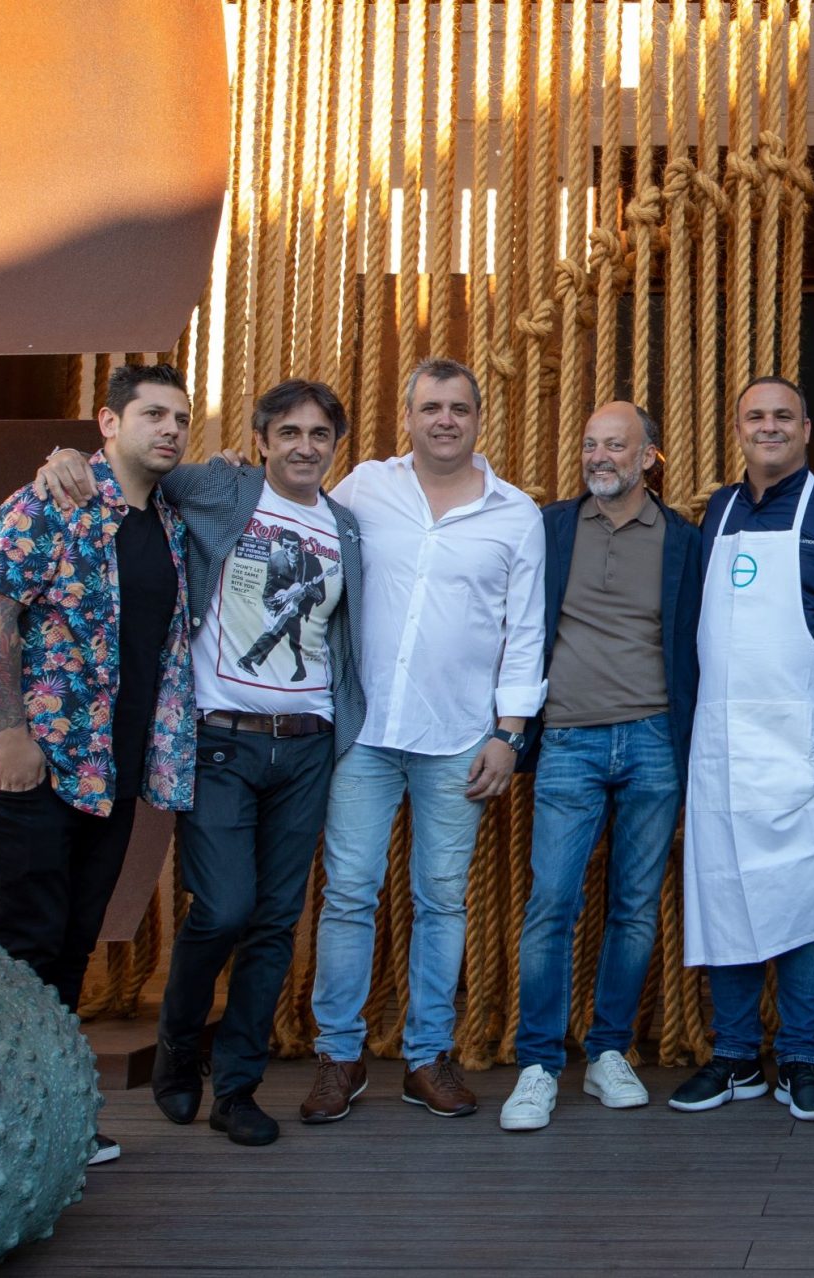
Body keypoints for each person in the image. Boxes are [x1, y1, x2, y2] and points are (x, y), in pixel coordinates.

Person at [36, 378, 366, 1148]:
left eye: (320, 435)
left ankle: (239, 1086)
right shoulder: (222, 487)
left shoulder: (345, 527)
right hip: (221, 738)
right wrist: (62, 458)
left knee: (277, 920)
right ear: (262, 439)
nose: (305, 446)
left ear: (334, 447)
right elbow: (128, 467)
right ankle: (181, 1045)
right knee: (222, 907)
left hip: (308, 744)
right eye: (289, 432)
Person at [301, 357, 548, 1123]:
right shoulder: (364, 489)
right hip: (364, 733)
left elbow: (525, 632)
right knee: (347, 894)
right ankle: (339, 1054)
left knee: (441, 900)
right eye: (431, 406)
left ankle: (427, 1056)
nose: (446, 419)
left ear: (480, 420)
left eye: (460, 408)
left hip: (458, 737)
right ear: (407, 415)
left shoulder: (516, 515)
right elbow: (284, 518)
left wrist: (510, 733)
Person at [0, 362, 196, 1166]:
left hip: (110, 775)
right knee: (25, 945)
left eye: (181, 417)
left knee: (70, 950)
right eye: (153, 415)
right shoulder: (52, 501)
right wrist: (10, 735)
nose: (170, 429)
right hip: (34, 764)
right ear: (108, 422)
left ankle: (52, 1118)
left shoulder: (167, 520)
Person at [669, 375, 814, 1122]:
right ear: (738, 428)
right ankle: (735, 1056)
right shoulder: (718, 513)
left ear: (806, 428)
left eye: (783, 416)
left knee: (807, 904)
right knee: (723, 898)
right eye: (755, 416)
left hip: (810, 751)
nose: (769, 427)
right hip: (721, 749)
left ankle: (800, 1057)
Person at [499, 402, 701, 1131]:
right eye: (589, 443)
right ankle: (539, 1064)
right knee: (552, 902)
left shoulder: (685, 540)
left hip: (654, 739)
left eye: (615, 444)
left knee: (635, 908)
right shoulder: (548, 528)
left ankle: (609, 1051)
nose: (599, 456)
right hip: (569, 742)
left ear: (650, 456)